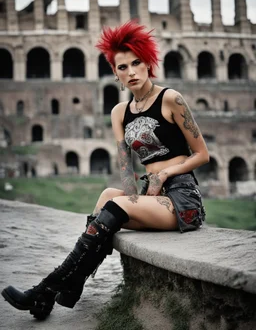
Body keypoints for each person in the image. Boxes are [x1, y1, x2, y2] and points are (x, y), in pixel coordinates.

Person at [1, 20, 209, 319]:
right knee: (107, 197)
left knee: (112, 206)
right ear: (115, 74)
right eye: (122, 67)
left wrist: (164, 174)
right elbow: (126, 173)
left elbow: (202, 154)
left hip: (181, 199)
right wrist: (131, 191)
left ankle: (47, 290)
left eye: (137, 63)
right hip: (150, 196)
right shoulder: (119, 112)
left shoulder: (171, 99)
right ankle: (65, 289)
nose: (131, 72)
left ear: (149, 63)